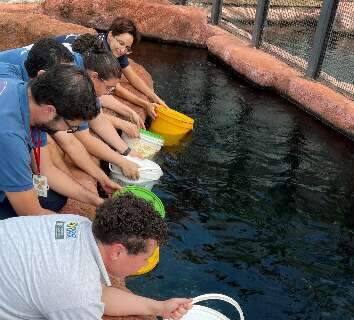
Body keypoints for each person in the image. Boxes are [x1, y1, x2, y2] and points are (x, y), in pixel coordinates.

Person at [0, 193, 192, 319]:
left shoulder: (77, 224)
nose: (146, 263)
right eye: (145, 258)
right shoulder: (75, 292)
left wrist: (159, 308)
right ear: (118, 251)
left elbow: (98, 295)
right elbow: (82, 295)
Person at [0, 38, 141, 180]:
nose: (109, 93)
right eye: (109, 88)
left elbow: (97, 119)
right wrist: (119, 162)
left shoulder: (79, 70)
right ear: (94, 77)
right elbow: (74, 141)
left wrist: (125, 151)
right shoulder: (69, 80)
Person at [0, 64, 104, 218]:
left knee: (53, 199)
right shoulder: (10, 136)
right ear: (50, 111)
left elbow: (46, 169)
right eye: (70, 127)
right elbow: (31, 213)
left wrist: (97, 201)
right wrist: (84, 227)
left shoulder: (27, 96)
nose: (66, 131)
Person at [55, 17, 166, 120]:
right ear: (111, 35)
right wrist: (145, 104)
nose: (123, 50)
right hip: (52, 57)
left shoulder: (116, 48)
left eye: (127, 47)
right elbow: (113, 87)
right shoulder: (100, 50)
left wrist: (155, 98)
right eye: (121, 43)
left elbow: (132, 77)